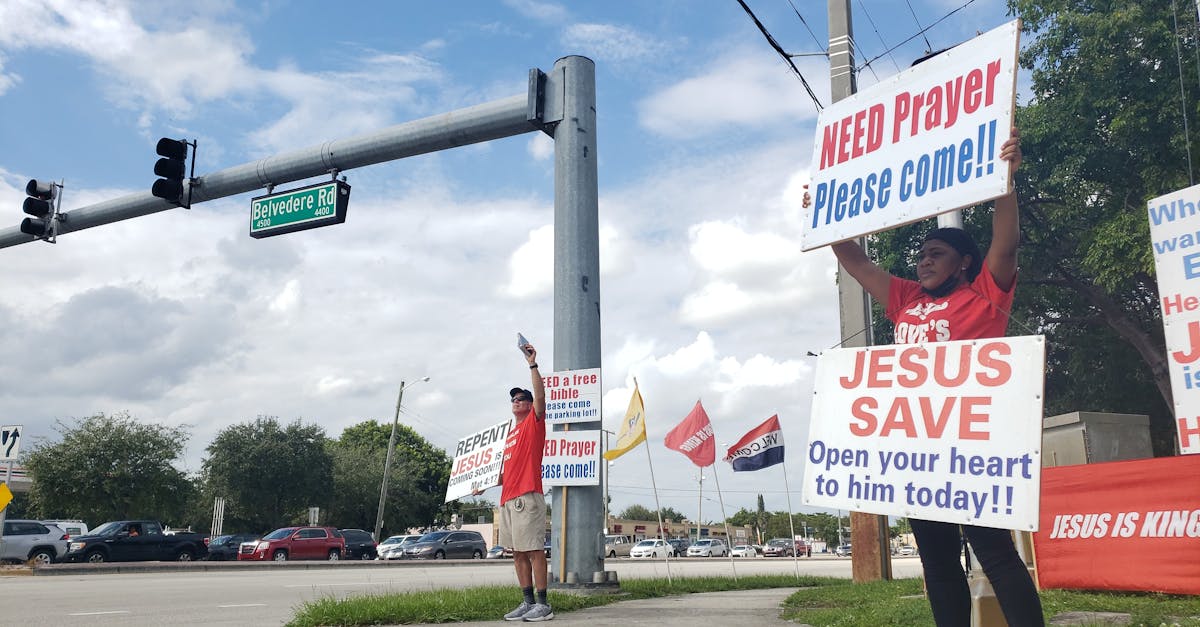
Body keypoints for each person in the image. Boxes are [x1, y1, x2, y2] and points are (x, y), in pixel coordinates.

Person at [807, 128, 1043, 626]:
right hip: (919, 449)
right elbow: (855, 260)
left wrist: (1006, 179)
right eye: (922, 254)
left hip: (974, 445)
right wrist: (822, 217)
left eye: (937, 254)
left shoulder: (985, 293)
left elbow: (1007, 241)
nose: (924, 260)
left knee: (995, 554)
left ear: (964, 264)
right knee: (937, 561)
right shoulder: (905, 299)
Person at [498, 341, 552, 622]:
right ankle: (527, 601)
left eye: (521, 398)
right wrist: (483, 483)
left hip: (528, 496)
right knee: (516, 553)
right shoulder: (509, 434)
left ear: (529, 405)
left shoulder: (534, 423)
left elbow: (542, 400)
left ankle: (543, 604)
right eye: (513, 399)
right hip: (508, 499)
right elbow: (505, 470)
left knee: (533, 550)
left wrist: (532, 364)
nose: (516, 401)